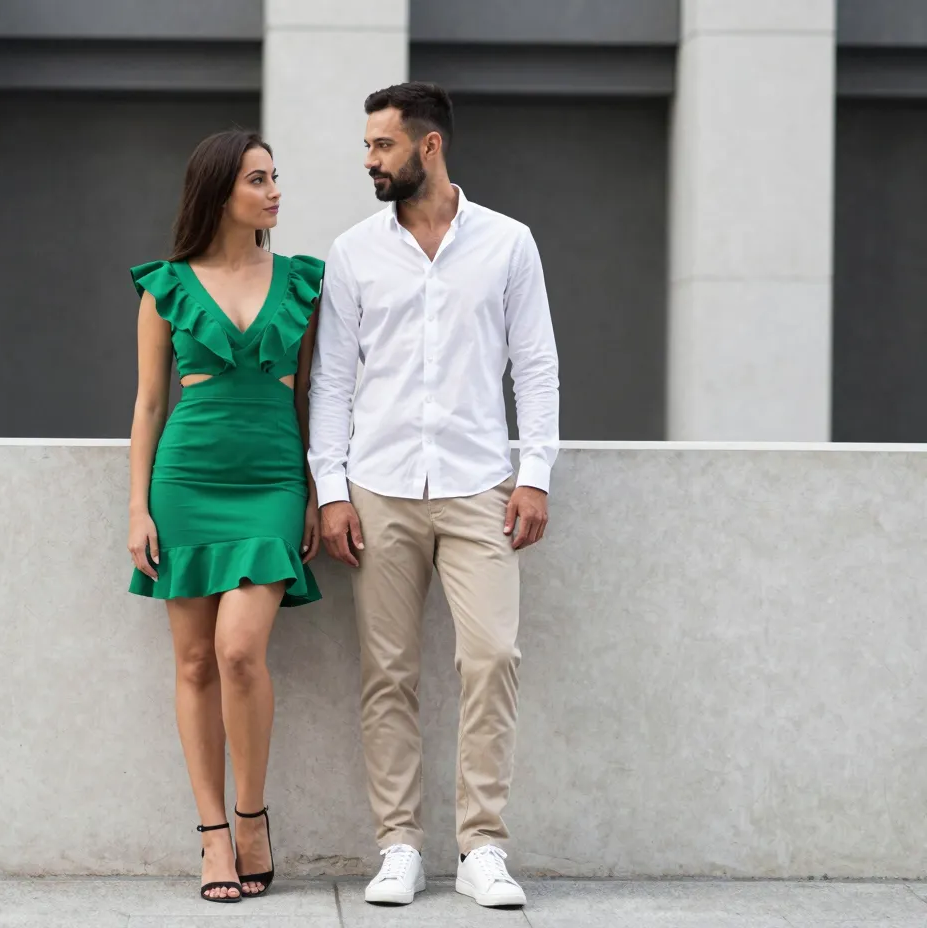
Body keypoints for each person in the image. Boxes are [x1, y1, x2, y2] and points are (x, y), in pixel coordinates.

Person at [309, 82, 560, 909]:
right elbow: (334, 381)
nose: (370, 161)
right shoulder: (353, 252)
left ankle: (484, 845)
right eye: (368, 147)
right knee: (388, 671)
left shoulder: (509, 243)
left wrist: (533, 474)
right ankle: (400, 844)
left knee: (492, 655)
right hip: (378, 487)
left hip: (478, 485)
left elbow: (536, 365)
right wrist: (331, 488)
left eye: (382, 146)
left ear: (429, 147)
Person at [127, 130, 324, 903]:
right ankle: (211, 833)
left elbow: (314, 396)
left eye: (276, 177)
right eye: (258, 179)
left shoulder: (305, 280)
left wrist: (316, 488)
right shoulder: (167, 285)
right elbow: (148, 404)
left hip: (272, 476)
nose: (274, 191)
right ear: (219, 191)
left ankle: (252, 817)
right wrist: (137, 504)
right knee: (196, 663)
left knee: (240, 651)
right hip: (188, 477)